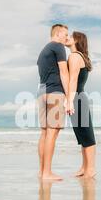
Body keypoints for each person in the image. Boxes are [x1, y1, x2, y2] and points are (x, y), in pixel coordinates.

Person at [36, 24, 69, 180]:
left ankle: (42, 171)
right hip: (55, 91)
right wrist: (69, 97)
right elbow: (63, 72)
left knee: (44, 133)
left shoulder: (43, 51)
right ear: (57, 33)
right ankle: (47, 173)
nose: (66, 38)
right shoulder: (58, 47)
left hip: (42, 92)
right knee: (52, 132)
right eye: (65, 34)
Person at [65, 31, 97, 178]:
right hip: (79, 97)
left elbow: (73, 80)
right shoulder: (81, 56)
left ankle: (90, 169)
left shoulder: (74, 56)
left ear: (77, 40)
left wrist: (69, 101)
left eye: (70, 37)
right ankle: (84, 168)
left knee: (87, 136)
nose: (67, 38)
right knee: (83, 136)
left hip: (77, 97)